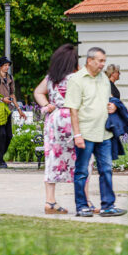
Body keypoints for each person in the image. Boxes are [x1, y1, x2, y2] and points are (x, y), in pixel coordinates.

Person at [64, 47, 127, 218]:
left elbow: (108, 100)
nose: (102, 65)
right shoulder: (77, 80)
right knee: (82, 171)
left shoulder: (104, 80)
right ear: (89, 60)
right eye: (100, 61)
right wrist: (77, 134)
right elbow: (73, 110)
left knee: (106, 169)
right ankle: (82, 206)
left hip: (104, 133)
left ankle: (108, 205)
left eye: (104, 61)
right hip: (85, 133)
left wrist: (113, 106)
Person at [33, 44, 79, 215]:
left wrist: (47, 105)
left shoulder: (51, 78)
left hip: (55, 120)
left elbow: (38, 92)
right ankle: (84, 200)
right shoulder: (77, 78)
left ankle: (50, 200)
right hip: (73, 119)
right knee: (82, 160)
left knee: (52, 157)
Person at [0, 57, 26, 168]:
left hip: (7, 110)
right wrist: (2, 99)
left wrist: (19, 109)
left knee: (9, 135)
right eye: (5, 65)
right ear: (0, 66)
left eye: (8, 65)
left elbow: (12, 95)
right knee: (1, 134)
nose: (7, 67)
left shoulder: (10, 78)